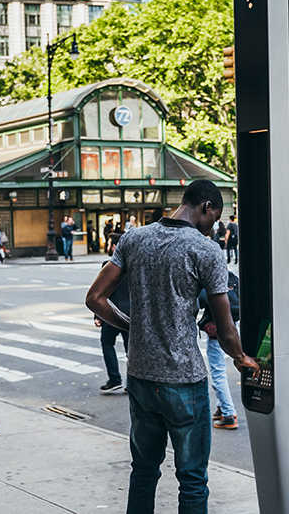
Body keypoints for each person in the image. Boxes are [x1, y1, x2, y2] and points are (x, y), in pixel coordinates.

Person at [85, 180, 258, 513]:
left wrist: (132, 327)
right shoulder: (205, 250)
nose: (215, 227)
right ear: (206, 207)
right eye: (216, 218)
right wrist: (240, 357)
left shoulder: (134, 238)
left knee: (143, 471)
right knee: (192, 479)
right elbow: (225, 327)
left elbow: (95, 298)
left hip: (140, 377)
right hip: (183, 380)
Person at [197, 271, 240, 430]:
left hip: (217, 329)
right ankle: (222, 407)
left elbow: (200, 301)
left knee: (217, 371)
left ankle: (229, 414)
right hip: (234, 326)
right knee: (222, 370)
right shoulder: (231, 276)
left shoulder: (210, 278)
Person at [94, 260, 130, 394]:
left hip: (112, 314)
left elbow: (101, 292)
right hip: (131, 314)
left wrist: (98, 316)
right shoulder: (135, 263)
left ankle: (115, 379)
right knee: (130, 350)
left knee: (107, 344)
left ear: (115, 246)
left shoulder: (109, 265)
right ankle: (131, 383)